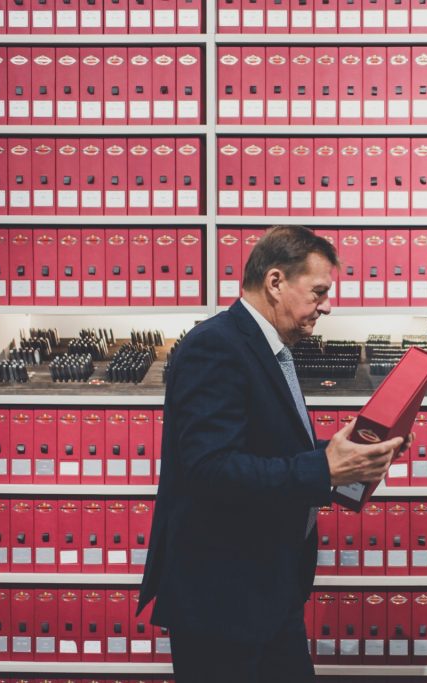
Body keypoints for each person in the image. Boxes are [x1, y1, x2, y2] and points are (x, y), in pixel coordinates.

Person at [137, 225, 406, 681]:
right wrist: (324, 467)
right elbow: (209, 469)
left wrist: (352, 456)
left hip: (267, 588)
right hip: (223, 600)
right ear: (276, 281)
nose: (327, 304)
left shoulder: (267, 346)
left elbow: (268, 450)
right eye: (319, 291)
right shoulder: (215, 347)